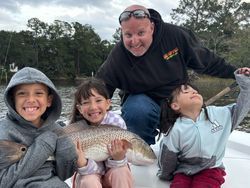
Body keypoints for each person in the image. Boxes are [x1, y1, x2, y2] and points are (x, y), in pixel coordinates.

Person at [95, 4, 238, 145]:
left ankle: (188, 149)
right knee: (137, 109)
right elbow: (97, 90)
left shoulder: (175, 36)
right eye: (128, 35)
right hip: (141, 106)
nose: (134, 41)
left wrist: (236, 73)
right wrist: (84, 120)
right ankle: (143, 151)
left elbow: (207, 61)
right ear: (121, 33)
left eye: (140, 33)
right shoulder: (118, 56)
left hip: (177, 100)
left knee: (193, 104)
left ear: (151, 27)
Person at [157, 68, 250, 188]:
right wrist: (165, 175)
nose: (194, 92)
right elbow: (168, 157)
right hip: (185, 170)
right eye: (186, 92)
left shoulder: (221, 115)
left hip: (211, 168)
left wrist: (245, 83)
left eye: (195, 91)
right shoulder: (175, 129)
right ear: (175, 105)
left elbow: (242, 107)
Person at [0, 67, 78, 187]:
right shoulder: (3, 132)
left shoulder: (57, 130)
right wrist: (43, 146)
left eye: (38, 93)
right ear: (12, 100)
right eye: (22, 94)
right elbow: (4, 182)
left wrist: (67, 152)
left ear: (49, 100)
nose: (31, 99)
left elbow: (63, 175)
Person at [69, 77, 133, 188]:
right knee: (89, 180)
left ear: (108, 103)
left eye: (98, 100)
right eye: (86, 102)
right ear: (79, 109)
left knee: (121, 172)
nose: (93, 107)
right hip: (87, 174)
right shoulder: (74, 131)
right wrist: (82, 163)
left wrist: (118, 158)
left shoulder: (116, 122)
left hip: (111, 174)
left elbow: (124, 161)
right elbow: (76, 169)